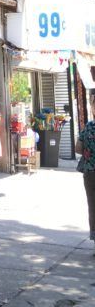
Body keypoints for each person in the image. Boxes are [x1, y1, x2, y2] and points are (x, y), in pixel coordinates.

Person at [75, 93, 95, 248]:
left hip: (90, 173)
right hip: (90, 173)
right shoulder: (88, 127)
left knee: (93, 206)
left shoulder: (88, 127)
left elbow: (78, 148)